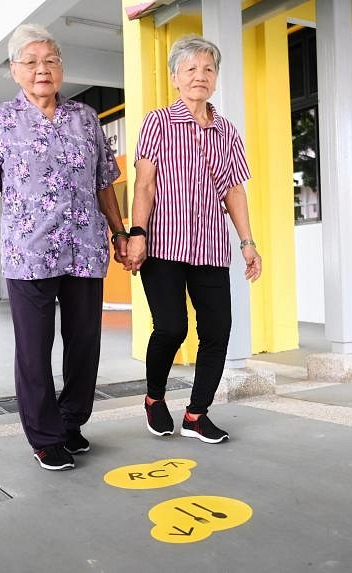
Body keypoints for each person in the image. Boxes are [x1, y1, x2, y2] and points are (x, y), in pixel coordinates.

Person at [0, 24, 128, 471]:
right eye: (31, 62)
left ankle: (71, 423)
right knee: (34, 348)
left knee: (85, 343)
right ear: (15, 70)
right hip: (28, 253)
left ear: (61, 68)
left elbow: (104, 183)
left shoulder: (85, 118)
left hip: (85, 250)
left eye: (50, 61)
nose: (42, 70)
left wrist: (120, 233)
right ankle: (44, 436)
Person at [127, 34, 262, 444]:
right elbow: (145, 184)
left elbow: (234, 190)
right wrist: (137, 233)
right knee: (171, 327)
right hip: (164, 243)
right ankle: (154, 398)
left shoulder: (226, 131)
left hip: (210, 248)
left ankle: (196, 414)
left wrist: (247, 241)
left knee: (218, 331)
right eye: (190, 69)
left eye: (208, 69)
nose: (199, 76)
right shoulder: (158, 122)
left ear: (216, 78)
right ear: (175, 78)